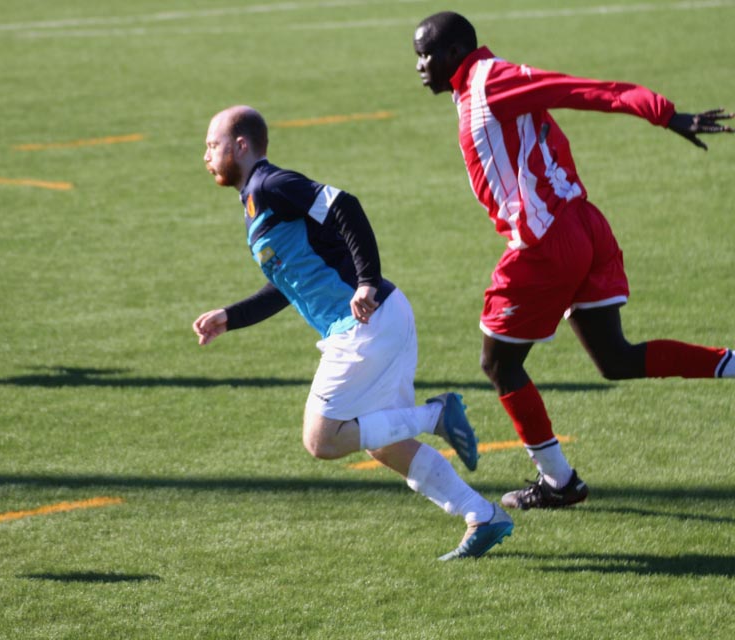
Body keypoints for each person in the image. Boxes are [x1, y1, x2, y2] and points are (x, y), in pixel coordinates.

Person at [412, 11, 734, 510]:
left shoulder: (491, 80)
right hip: (582, 226)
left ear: (455, 52)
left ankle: (559, 482)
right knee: (615, 359)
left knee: (499, 363)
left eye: (425, 54)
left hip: (549, 242)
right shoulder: (472, 88)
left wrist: (663, 113)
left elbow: (582, 90)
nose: (419, 65)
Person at [193, 105, 514, 559]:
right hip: (378, 321)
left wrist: (366, 281)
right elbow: (289, 284)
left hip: (366, 324)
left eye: (213, 145)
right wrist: (231, 316)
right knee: (383, 444)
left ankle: (436, 415)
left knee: (321, 440)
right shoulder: (253, 203)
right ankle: (481, 514)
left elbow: (344, 205)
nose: (206, 156)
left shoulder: (272, 185)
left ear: (241, 145)